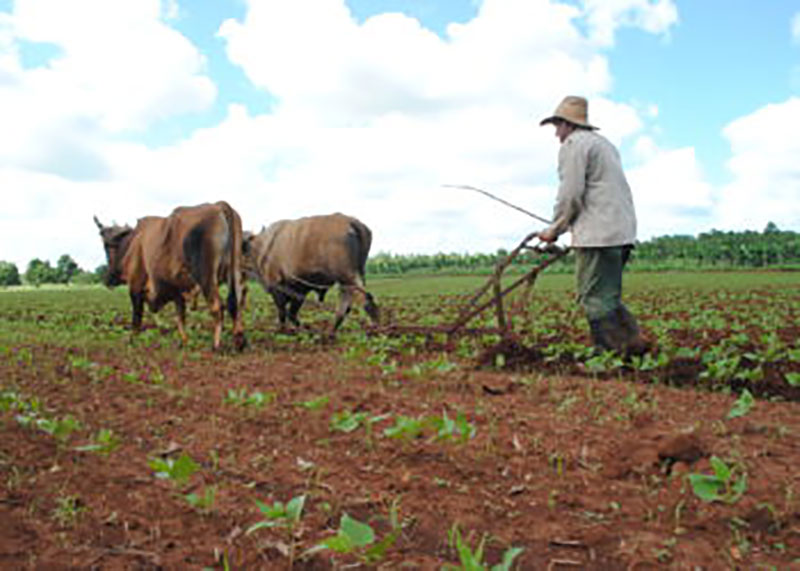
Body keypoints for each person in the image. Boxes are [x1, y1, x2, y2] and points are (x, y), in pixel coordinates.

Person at [537, 95, 648, 356]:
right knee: (607, 295)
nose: (556, 134)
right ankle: (634, 346)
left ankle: (607, 356)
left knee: (593, 297)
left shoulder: (574, 144)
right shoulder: (604, 145)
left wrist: (554, 230)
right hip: (621, 231)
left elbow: (570, 193)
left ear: (567, 124)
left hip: (598, 235)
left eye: (557, 126)